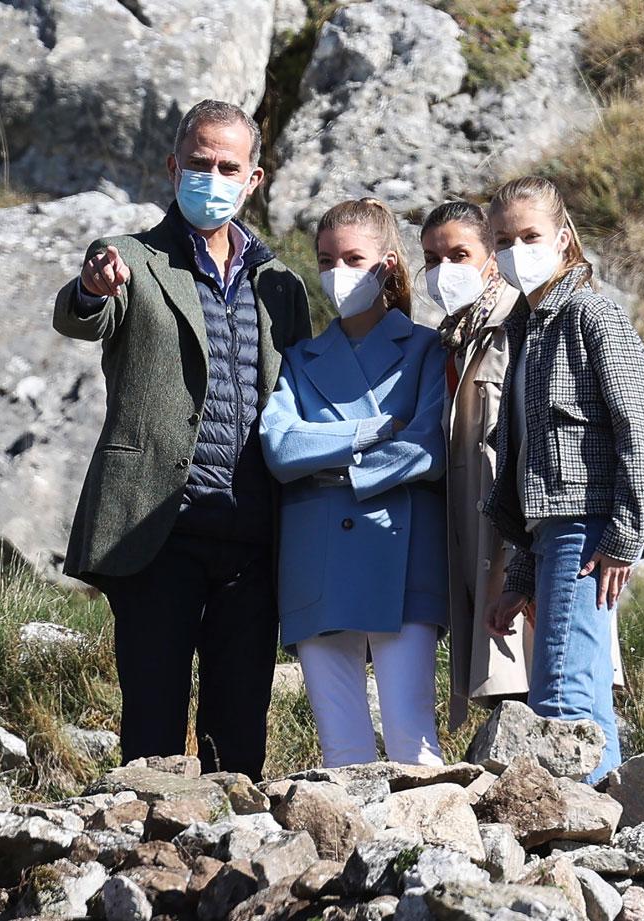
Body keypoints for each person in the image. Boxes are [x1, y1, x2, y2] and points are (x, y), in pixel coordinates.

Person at [52, 99, 311, 779]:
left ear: (254, 179)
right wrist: (89, 288)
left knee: (238, 738)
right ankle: (147, 868)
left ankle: (232, 870)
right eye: (199, 163)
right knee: (152, 731)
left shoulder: (280, 283)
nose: (212, 177)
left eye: (229, 166)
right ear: (173, 167)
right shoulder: (132, 258)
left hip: (253, 541)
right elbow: (85, 314)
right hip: (157, 532)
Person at [482, 176, 644, 784]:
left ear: (563, 238)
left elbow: (641, 425)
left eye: (530, 236)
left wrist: (627, 535)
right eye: (504, 239)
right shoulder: (524, 328)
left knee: (560, 701)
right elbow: (530, 468)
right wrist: (519, 573)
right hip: (549, 538)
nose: (518, 250)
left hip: (588, 534)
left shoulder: (592, 314)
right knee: (587, 703)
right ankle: (613, 842)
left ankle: (563, 850)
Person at [259, 198, 447, 768]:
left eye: (352, 258)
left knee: (412, 738)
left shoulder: (428, 348)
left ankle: (436, 852)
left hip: (403, 551)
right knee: (341, 749)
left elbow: (430, 449)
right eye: (325, 260)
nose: (336, 273)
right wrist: (369, 431)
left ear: (387, 264)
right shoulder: (300, 357)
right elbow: (280, 447)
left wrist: (333, 467)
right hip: (317, 559)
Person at [421, 201, 528, 730]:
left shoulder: (517, 321)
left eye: (459, 254)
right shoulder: (456, 335)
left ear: (490, 255)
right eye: (432, 258)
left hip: (516, 531)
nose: (445, 270)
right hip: (471, 527)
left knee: (533, 674)